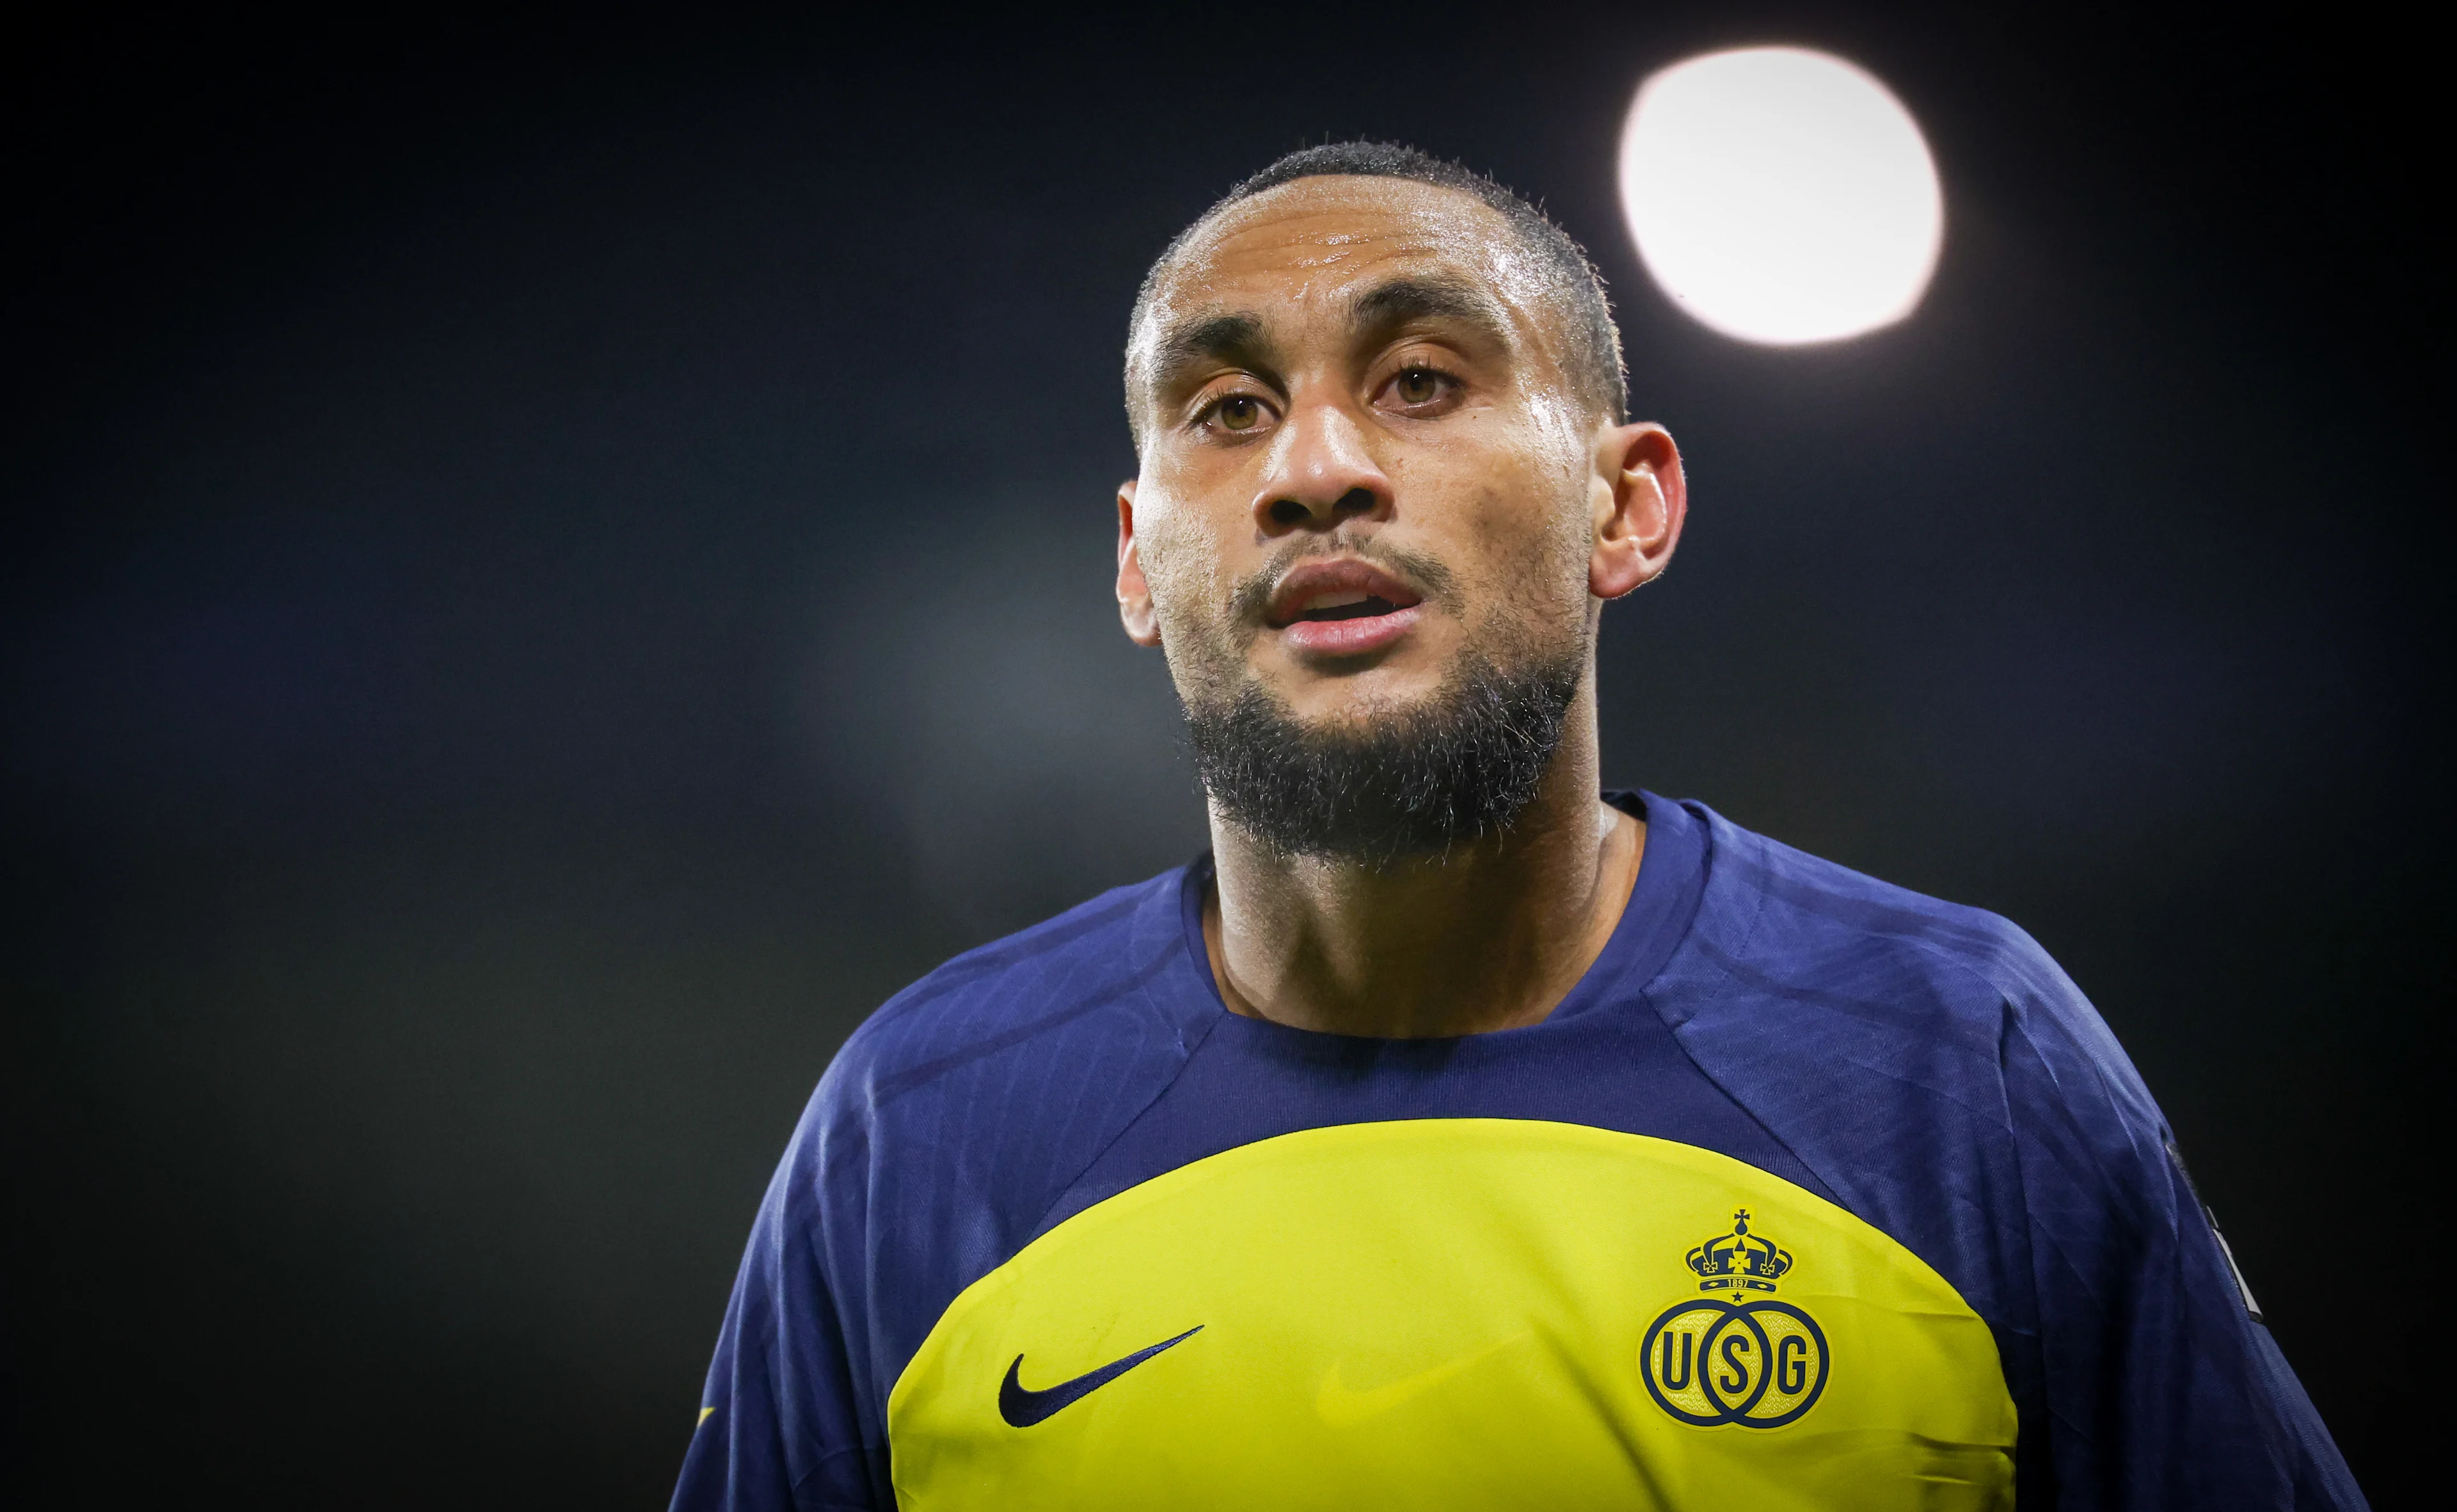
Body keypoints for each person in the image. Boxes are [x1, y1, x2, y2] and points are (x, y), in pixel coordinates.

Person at [668, 142, 2363, 1511]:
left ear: (1626, 506)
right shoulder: (920, 1125)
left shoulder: (1955, 1058)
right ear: (1135, 558)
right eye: (1226, 408)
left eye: (1417, 380)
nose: (1313, 464)